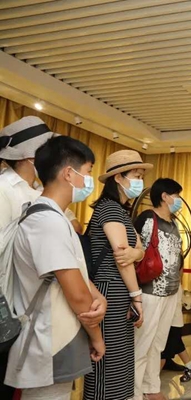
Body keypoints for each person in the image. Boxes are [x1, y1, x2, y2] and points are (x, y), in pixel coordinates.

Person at [0, 116, 97, 398]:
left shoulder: (41, 196)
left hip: (45, 300)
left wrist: (92, 294)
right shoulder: (4, 190)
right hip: (18, 302)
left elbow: (72, 232)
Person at [84, 150, 153, 400]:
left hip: (117, 289)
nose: (140, 181)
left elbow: (136, 250)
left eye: (141, 176)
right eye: (136, 175)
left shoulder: (120, 211)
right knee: (109, 360)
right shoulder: (110, 209)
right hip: (109, 290)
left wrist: (137, 253)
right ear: (117, 177)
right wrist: (137, 297)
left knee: (120, 359)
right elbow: (122, 258)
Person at [133, 178, 184, 400]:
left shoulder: (173, 223)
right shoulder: (147, 218)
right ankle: (134, 392)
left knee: (158, 344)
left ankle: (151, 387)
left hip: (171, 292)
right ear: (164, 196)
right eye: (176, 195)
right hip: (150, 291)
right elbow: (135, 251)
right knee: (142, 344)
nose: (179, 200)